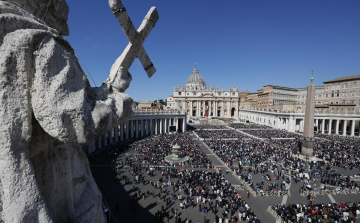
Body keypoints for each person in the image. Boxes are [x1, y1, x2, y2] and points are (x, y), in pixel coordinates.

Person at [0, 0, 135, 222]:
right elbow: (78, 122)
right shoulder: (39, 43)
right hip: (54, 184)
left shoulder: (7, 33)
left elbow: (73, 100)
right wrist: (120, 104)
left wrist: (110, 86)